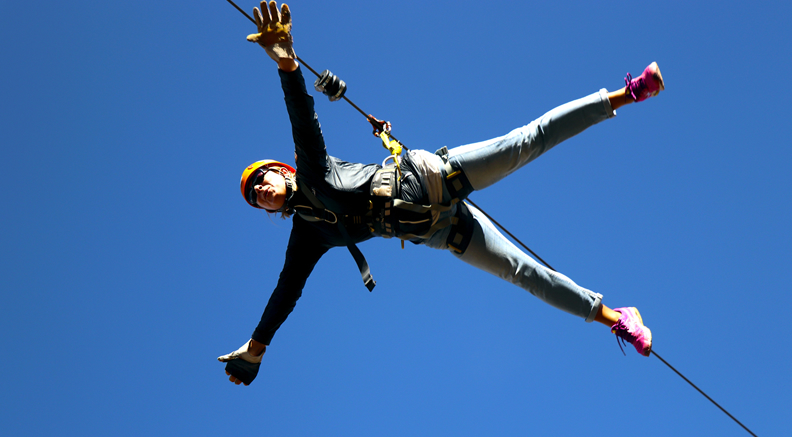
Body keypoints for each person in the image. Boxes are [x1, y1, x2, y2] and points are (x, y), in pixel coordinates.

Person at [218, 1, 664, 385]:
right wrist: (256, 350)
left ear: (282, 170)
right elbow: (284, 294)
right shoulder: (307, 238)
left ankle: (627, 93)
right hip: (442, 230)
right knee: (522, 273)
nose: (261, 190)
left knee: (526, 141)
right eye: (255, 195)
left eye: (261, 180)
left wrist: (288, 64)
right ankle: (617, 318)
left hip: (435, 177)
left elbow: (303, 118)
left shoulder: (313, 169)